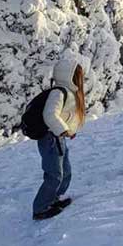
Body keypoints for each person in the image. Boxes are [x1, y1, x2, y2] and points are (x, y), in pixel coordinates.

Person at [32, 54, 87, 221]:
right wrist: (62, 130)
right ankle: (40, 209)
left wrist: (69, 130)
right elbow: (50, 114)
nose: (80, 80)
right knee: (54, 174)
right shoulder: (58, 92)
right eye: (77, 76)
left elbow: (65, 115)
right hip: (50, 139)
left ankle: (53, 199)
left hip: (57, 138)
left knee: (65, 172)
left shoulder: (67, 92)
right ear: (68, 75)